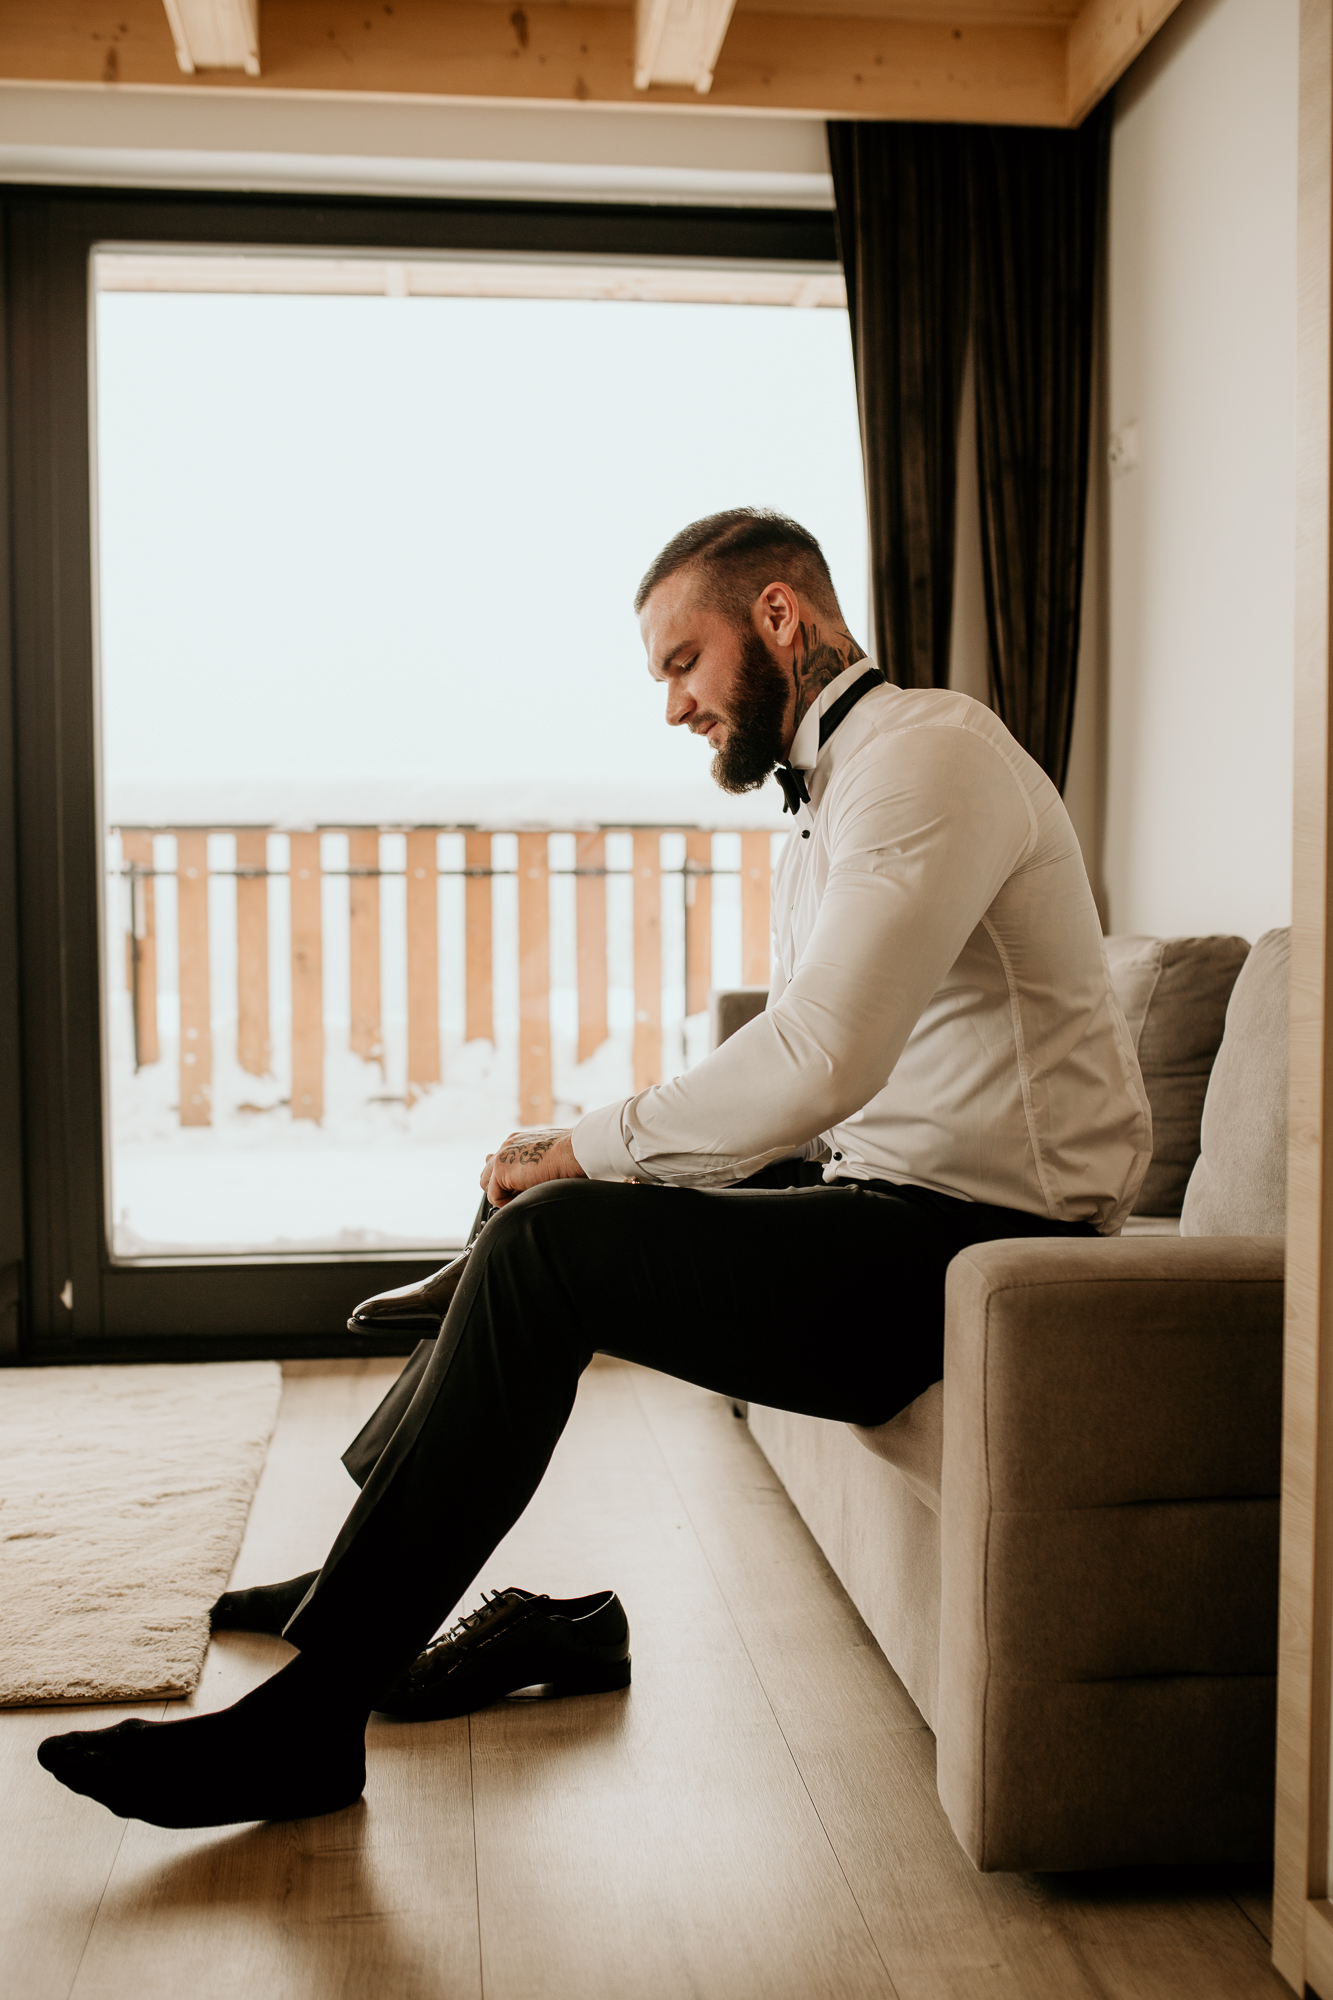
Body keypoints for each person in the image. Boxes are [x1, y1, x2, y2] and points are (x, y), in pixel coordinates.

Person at [38, 507, 1150, 1829]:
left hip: (974, 1249)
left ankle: (310, 1725)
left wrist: (581, 1147)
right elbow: (819, 1089)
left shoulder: (929, 758)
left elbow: (817, 1058)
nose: (674, 706)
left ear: (779, 618)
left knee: (549, 1244)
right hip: (881, 1201)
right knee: (547, 1205)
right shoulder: (842, 792)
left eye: (683, 662)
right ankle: (355, 1577)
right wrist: (579, 1161)